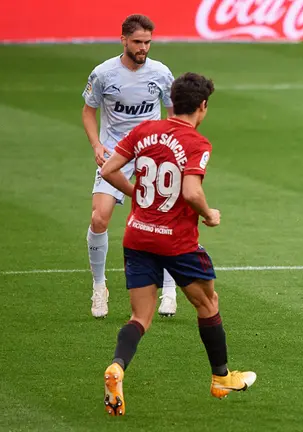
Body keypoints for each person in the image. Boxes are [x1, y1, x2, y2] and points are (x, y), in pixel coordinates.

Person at [98, 72, 256, 416]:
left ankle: (118, 367)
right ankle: (220, 378)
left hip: (137, 234)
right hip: (177, 242)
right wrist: (208, 214)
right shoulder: (197, 143)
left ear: (172, 102)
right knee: (208, 303)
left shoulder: (144, 131)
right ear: (202, 106)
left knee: (141, 315)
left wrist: (139, 196)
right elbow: (190, 191)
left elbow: (109, 170)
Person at [82, 14, 179, 318]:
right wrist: (97, 145)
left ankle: (169, 289)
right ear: (123, 39)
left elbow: (173, 114)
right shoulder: (103, 74)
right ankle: (99, 287)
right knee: (99, 218)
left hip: (152, 152)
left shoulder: (161, 73)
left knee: (165, 220)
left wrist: (172, 150)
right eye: (137, 42)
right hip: (116, 154)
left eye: (148, 42)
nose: (143, 48)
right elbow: (88, 112)